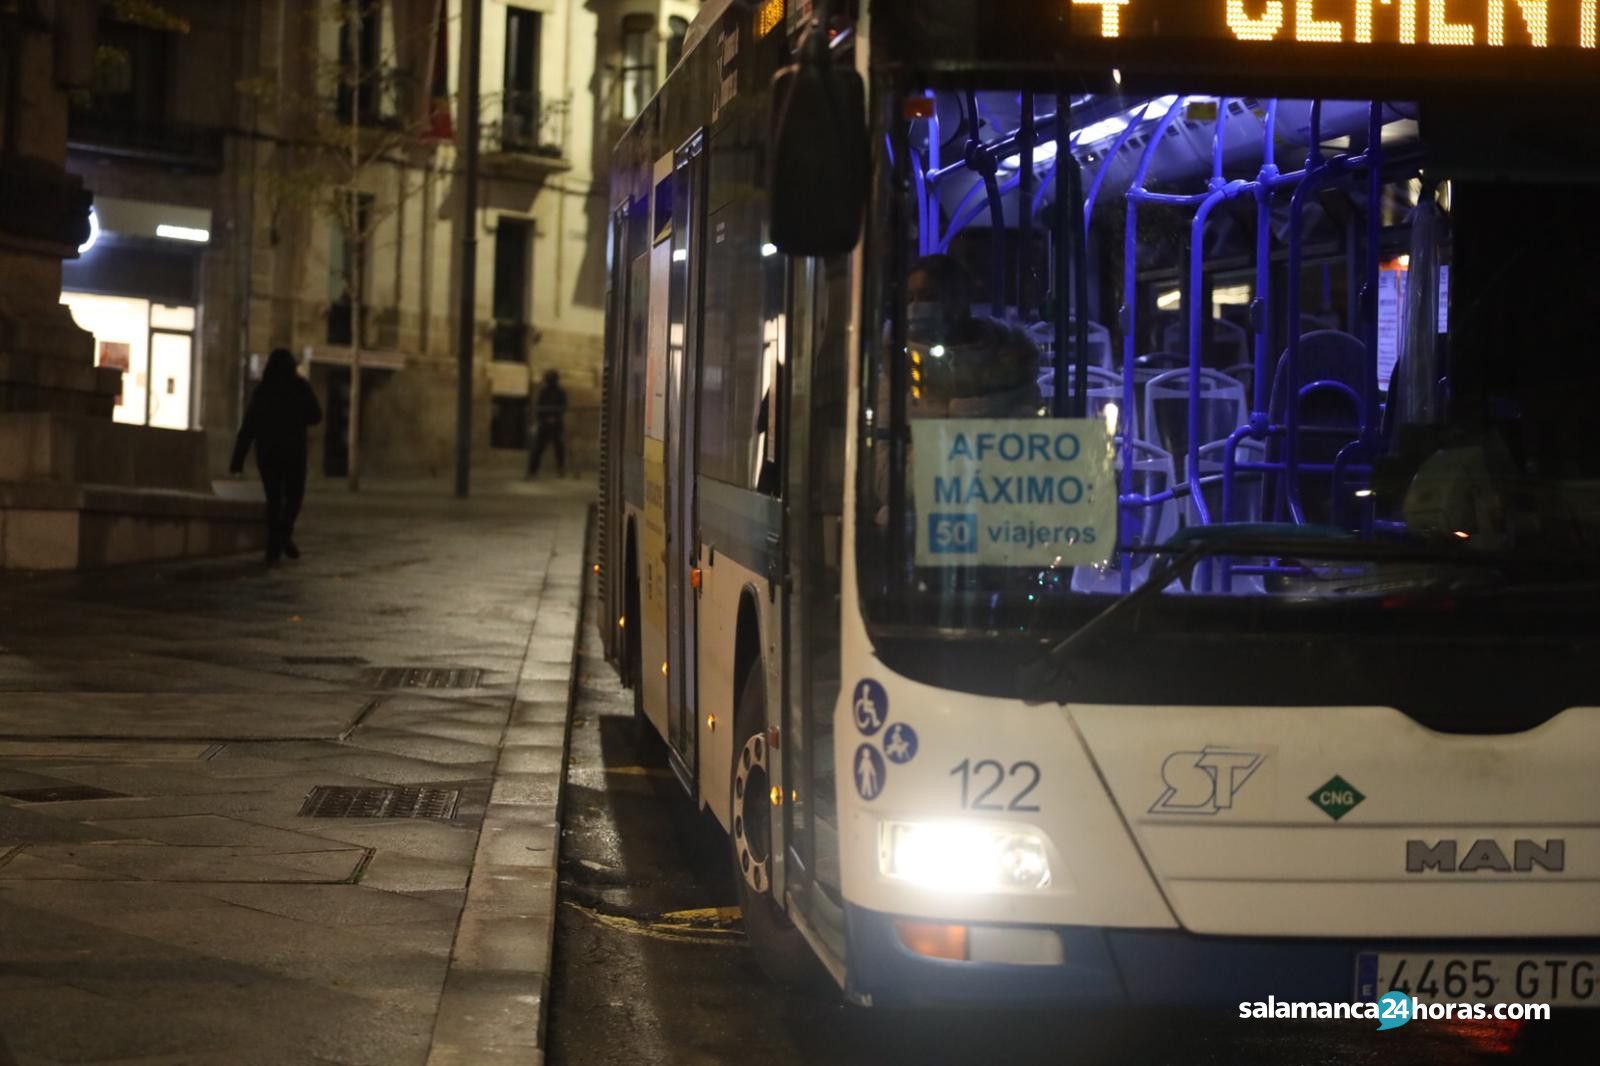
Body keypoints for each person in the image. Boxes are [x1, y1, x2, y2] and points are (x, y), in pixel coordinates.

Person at [230, 348, 323, 562]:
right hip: (293, 453)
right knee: (294, 498)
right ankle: (283, 536)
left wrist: (238, 459)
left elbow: (249, 426)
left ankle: (274, 547)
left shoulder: (264, 390)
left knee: (274, 500)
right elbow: (316, 415)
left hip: (268, 453)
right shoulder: (299, 387)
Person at [528, 369, 568, 477]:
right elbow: (539, 406)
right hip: (544, 424)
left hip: (556, 424)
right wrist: (544, 419)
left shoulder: (560, 392)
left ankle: (560, 469)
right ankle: (532, 471)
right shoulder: (543, 392)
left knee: (559, 447)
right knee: (538, 448)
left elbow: (563, 407)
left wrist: (555, 417)